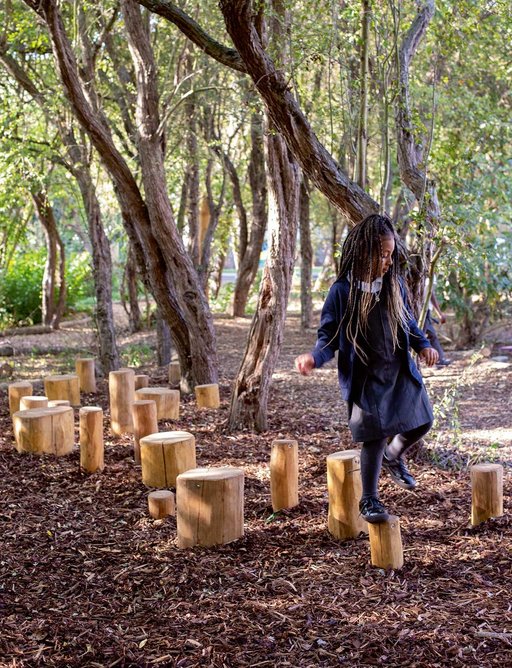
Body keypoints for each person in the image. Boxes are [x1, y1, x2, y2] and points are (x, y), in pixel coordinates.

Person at [295, 214, 438, 524]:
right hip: (365, 378)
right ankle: (369, 499)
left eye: (390, 254)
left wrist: (423, 345)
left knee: (422, 421)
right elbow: (328, 338)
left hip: (397, 371)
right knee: (373, 436)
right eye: (382, 254)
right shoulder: (343, 292)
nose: (388, 261)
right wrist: (313, 358)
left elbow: (409, 323)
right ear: (363, 253)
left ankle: (393, 455)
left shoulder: (393, 284)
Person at [424, 285, 452, 366]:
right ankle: (415, 367)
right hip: (420, 310)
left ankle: (440, 360)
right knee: (420, 337)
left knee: (432, 335)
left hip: (426, 310)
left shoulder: (430, 276)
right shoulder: (424, 276)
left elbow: (430, 293)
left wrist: (439, 313)